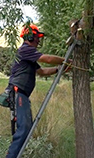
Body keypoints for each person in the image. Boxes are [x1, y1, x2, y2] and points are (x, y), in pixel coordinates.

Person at [6, 23, 69, 158]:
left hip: (22, 94)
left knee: (25, 129)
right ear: (30, 36)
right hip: (18, 92)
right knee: (24, 129)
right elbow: (48, 59)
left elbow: (41, 72)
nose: (38, 40)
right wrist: (66, 61)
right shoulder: (25, 50)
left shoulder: (29, 55)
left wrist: (59, 69)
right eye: (37, 37)